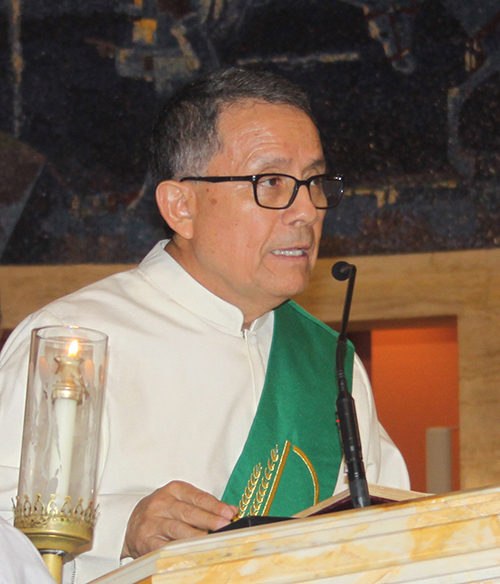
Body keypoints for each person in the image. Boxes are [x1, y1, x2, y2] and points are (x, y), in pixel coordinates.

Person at [0, 67, 409, 583]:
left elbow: (398, 540)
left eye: (314, 182)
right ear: (180, 206)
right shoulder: (71, 341)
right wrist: (122, 526)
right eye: (272, 182)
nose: (306, 210)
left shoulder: (329, 363)